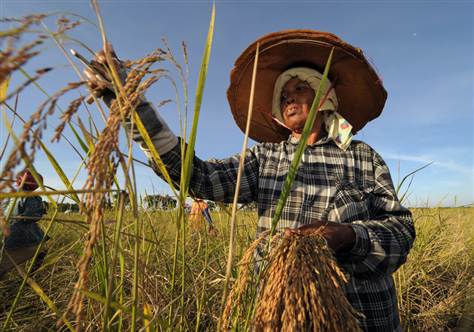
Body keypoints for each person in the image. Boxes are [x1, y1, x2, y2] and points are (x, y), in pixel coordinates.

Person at [85, 30, 415, 331]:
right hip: (284, 317)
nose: (289, 97)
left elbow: (400, 232)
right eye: (283, 94)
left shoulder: (362, 157)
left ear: (326, 98)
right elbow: (199, 177)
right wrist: (132, 107)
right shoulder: (266, 159)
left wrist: (346, 236)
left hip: (366, 317)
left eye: (300, 87)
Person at [0, 169, 47, 277]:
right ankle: (31, 275)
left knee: (6, 255)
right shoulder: (33, 197)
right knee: (40, 250)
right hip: (22, 232)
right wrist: (41, 211)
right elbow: (33, 216)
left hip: (6, 228)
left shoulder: (9, 194)